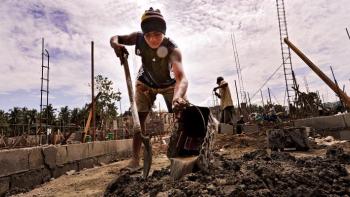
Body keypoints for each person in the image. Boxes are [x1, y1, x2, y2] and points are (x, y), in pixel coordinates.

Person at [110, 7, 188, 168]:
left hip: (169, 84)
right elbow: (115, 37)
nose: (153, 40)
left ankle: (183, 153)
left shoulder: (172, 49)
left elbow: (182, 78)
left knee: (182, 111)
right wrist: (115, 45)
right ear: (143, 34)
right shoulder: (137, 39)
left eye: (157, 35)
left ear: (164, 33)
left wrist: (177, 97)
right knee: (139, 118)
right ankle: (135, 159)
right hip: (145, 83)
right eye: (148, 35)